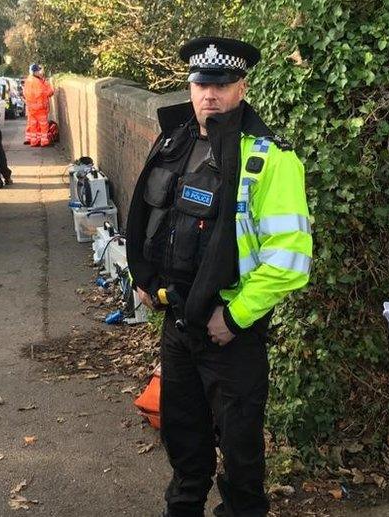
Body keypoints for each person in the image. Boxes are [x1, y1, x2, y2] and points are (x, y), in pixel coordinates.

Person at [126, 37, 312, 517]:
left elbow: (290, 259)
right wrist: (143, 277)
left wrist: (234, 316)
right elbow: (150, 218)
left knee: (241, 450)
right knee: (183, 438)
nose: (209, 94)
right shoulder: (175, 142)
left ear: (242, 87)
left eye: (222, 84)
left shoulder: (271, 158)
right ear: (190, 87)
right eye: (201, 83)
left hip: (230, 331)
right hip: (178, 322)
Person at [23, 63, 54, 147]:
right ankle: (44, 141)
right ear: (36, 71)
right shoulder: (38, 82)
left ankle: (33, 141)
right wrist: (50, 92)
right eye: (38, 71)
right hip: (40, 107)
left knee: (33, 125)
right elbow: (42, 93)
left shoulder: (28, 80)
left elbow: (25, 93)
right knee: (43, 125)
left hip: (31, 107)